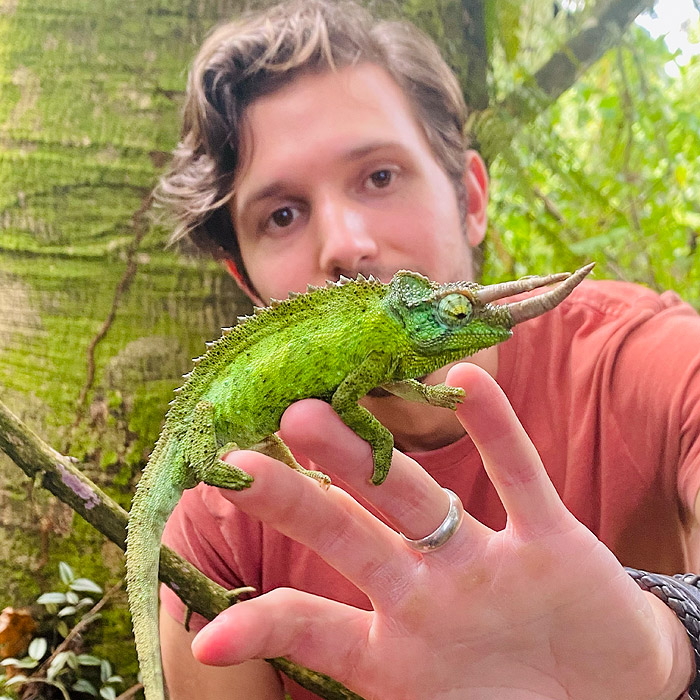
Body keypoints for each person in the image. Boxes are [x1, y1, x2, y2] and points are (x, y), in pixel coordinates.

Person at [153, 0, 700, 698]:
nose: (346, 243)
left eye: (380, 176)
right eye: (282, 214)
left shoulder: (645, 363)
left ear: (472, 198)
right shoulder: (230, 506)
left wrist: (674, 645)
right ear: (246, 282)